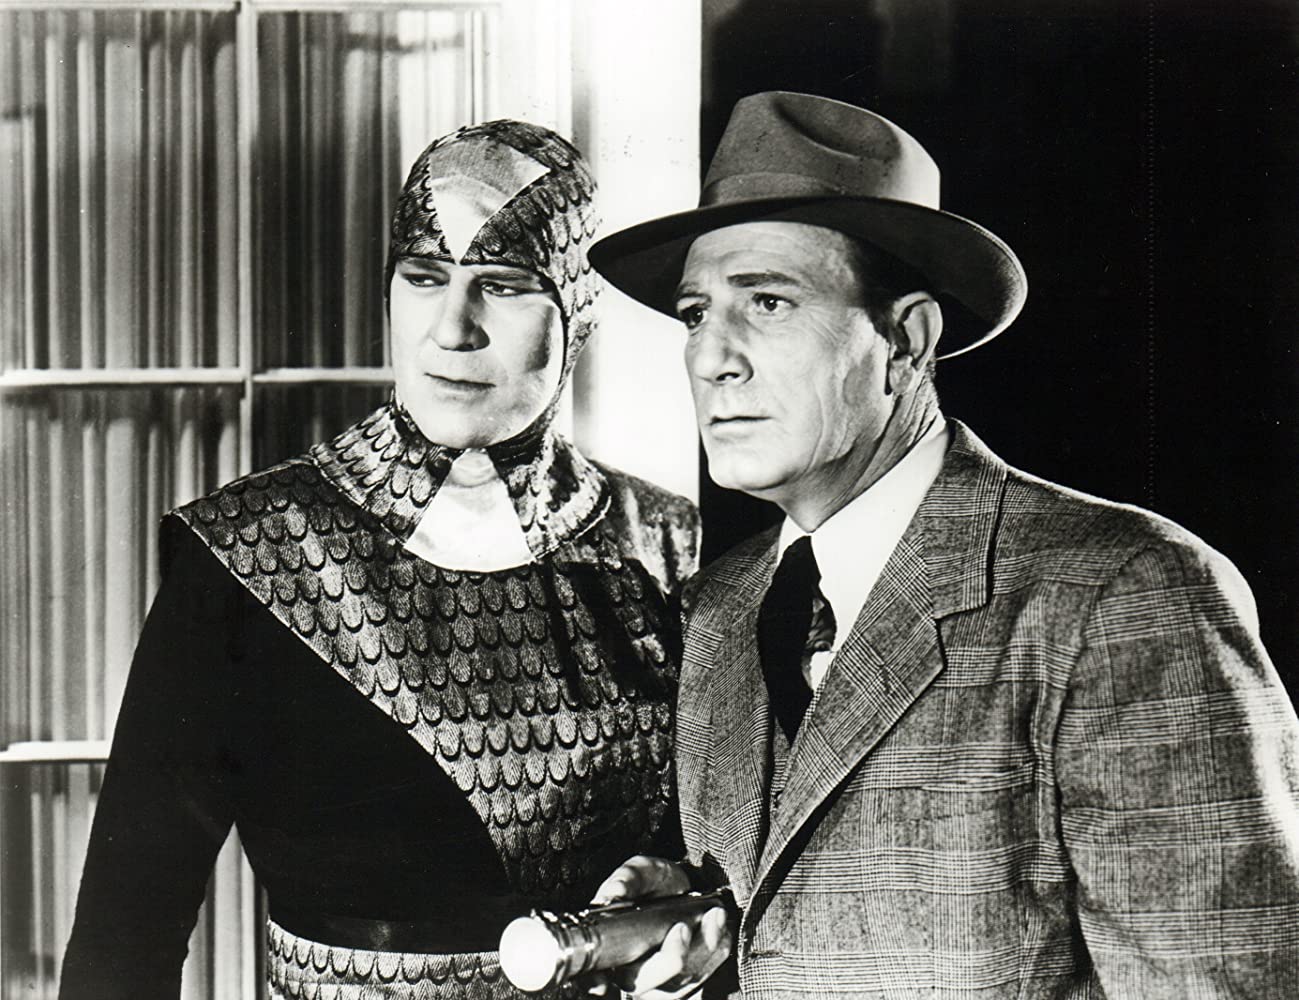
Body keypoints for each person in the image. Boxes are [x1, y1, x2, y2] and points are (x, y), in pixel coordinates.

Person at [586, 92, 1299, 998]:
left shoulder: (1121, 594)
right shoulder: (722, 606)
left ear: (905, 341)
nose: (709, 357)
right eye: (695, 313)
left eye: (766, 302)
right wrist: (702, 932)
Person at [59, 119, 699, 1000]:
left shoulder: (668, 547)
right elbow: (124, 932)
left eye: (503, 285)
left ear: (576, 312)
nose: (452, 329)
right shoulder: (249, 552)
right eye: (424, 277)